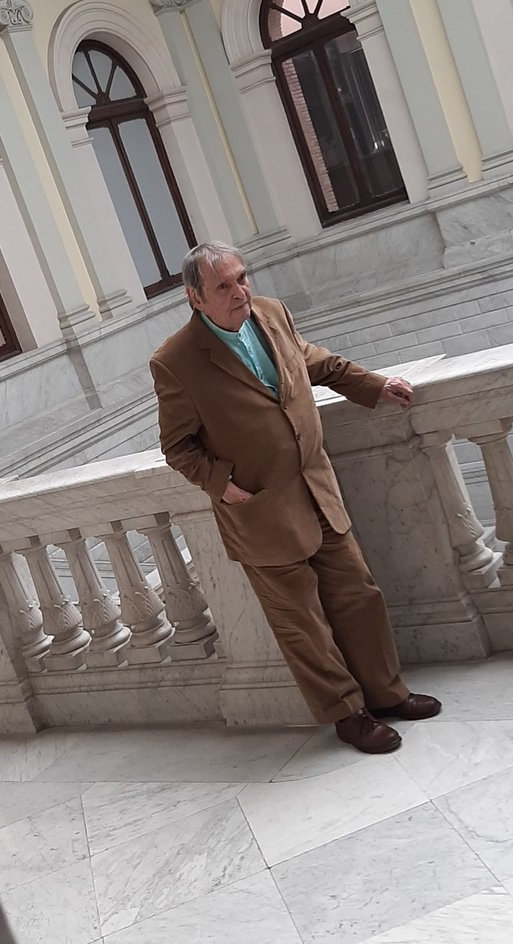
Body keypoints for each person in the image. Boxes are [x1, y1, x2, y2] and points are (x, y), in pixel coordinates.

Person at [150, 241, 441, 753]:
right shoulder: (175, 361)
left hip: (317, 490)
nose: (241, 290)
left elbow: (314, 362)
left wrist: (372, 386)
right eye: (225, 285)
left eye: (243, 277)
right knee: (303, 624)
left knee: (359, 596)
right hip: (259, 511)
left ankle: (388, 694)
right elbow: (177, 446)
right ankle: (349, 716)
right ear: (196, 298)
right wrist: (224, 485)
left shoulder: (271, 313)